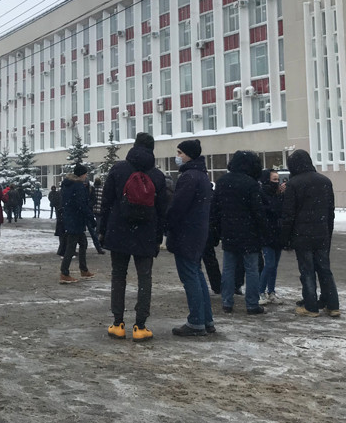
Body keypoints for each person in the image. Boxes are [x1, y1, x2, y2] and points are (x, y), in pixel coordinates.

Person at [98, 132, 167, 342]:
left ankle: (118, 324)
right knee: (144, 278)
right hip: (145, 234)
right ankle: (140, 326)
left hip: (119, 232)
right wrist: (157, 237)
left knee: (118, 276)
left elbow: (106, 203)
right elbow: (162, 210)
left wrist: (103, 230)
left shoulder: (118, 170)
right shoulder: (157, 175)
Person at [281, 149, 340, 318]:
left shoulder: (294, 184)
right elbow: (330, 211)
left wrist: (285, 237)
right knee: (325, 270)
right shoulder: (325, 182)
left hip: (302, 234)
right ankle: (333, 305)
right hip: (322, 232)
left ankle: (311, 306)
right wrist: (328, 231)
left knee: (307, 271)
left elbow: (288, 214)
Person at [166, 140, 214, 336]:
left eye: (180, 153)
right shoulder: (202, 175)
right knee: (197, 274)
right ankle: (206, 319)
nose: (177, 156)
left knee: (190, 277)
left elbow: (178, 207)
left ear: (189, 155)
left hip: (186, 233)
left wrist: (167, 222)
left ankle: (196, 321)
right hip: (197, 231)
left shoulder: (189, 177)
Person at [211, 151, 269, 316]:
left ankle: (227, 302)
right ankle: (252, 304)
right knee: (252, 269)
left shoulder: (222, 182)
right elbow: (258, 211)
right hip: (249, 233)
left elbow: (215, 209)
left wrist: (217, 230)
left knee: (229, 268)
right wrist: (264, 231)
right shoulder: (251, 184)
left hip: (229, 231)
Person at [59, 164, 98, 283]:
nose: (86, 176)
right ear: (81, 175)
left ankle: (84, 269)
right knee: (71, 246)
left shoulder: (67, 185)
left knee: (83, 243)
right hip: (76, 219)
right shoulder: (78, 186)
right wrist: (91, 218)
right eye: (85, 174)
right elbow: (82, 205)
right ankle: (64, 272)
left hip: (70, 218)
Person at [259, 169, 286, 305]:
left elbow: (282, 211)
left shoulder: (279, 194)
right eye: (274, 179)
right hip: (267, 234)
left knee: (274, 265)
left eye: (278, 179)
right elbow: (272, 210)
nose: (277, 182)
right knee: (269, 264)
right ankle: (260, 291)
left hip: (278, 234)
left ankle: (271, 291)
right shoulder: (262, 194)